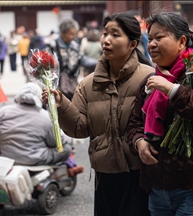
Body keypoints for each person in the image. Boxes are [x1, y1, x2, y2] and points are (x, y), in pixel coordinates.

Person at [42, 12, 154, 216]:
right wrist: (61, 105)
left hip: (140, 174)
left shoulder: (150, 79)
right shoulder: (88, 84)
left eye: (115, 34)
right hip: (105, 175)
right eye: (105, 33)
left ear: (132, 44)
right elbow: (79, 128)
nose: (107, 40)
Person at [126, 12, 193, 216]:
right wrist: (138, 142)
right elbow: (134, 122)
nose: (152, 44)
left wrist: (172, 90)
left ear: (181, 41)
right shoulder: (151, 80)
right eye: (150, 38)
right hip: (159, 186)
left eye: (159, 37)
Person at [0, 82, 77, 169]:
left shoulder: (3, 112)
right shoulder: (45, 116)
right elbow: (55, 141)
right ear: (40, 98)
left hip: (5, 158)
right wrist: (70, 140)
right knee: (66, 149)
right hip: (33, 160)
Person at [49, 18, 97, 100]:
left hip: (71, 84)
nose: (73, 37)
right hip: (55, 86)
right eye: (70, 34)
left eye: (74, 34)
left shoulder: (75, 46)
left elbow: (82, 59)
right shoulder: (52, 45)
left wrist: (100, 62)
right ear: (62, 33)